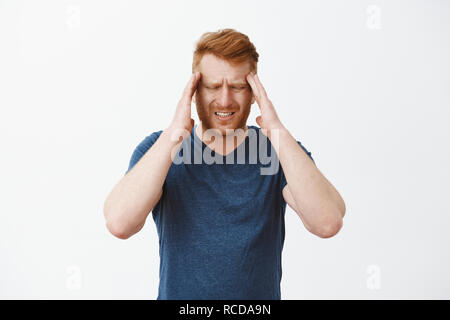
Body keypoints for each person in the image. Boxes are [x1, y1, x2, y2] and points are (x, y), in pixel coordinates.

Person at [103, 29, 346, 300]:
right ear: (194, 91)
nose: (226, 100)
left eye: (239, 87)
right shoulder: (159, 149)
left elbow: (327, 223)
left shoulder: (279, 152)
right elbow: (119, 223)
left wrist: (276, 128)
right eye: (213, 86)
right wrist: (175, 133)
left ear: (254, 93)